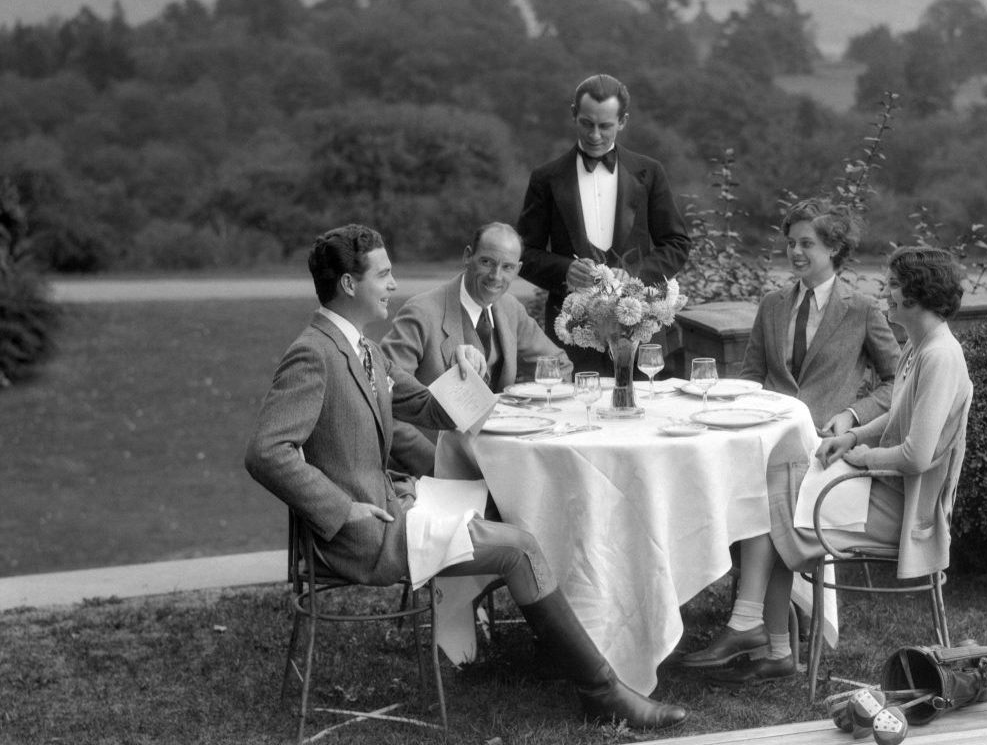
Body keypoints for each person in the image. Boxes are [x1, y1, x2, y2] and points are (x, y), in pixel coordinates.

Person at [244, 224, 687, 730]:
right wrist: (341, 509)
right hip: (365, 534)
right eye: (384, 275)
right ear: (349, 285)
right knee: (519, 545)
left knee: (515, 511)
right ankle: (604, 693)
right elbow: (267, 452)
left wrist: (463, 373)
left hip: (396, 504)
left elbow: (425, 407)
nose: (393, 284)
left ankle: (582, 657)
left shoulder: (361, 347)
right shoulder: (315, 353)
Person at [680, 246, 972, 685]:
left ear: (916, 294)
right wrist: (852, 435)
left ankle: (756, 631)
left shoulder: (940, 356)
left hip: (905, 508)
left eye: (893, 285)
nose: (886, 293)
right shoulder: (920, 345)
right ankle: (767, 642)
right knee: (774, 484)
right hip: (882, 489)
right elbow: (896, 415)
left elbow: (916, 456)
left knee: (772, 495)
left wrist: (861, 457)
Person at [516, 73, 691, 373]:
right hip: (571, 335)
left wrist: (635, 275)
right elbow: (523, 253)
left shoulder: (650, 173)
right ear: (574, 114)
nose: (595, 135)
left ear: (622, 121)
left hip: (640, 330)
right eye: (587, 123)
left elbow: (677, 244)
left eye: (605, 126)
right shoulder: (545, 179)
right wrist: (564, 271)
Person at [380, 222, 571, 477]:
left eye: (507, 267)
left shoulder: (510, 308)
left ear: (518, 270)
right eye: (487, 262)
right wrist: (434, 464)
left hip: (503, 461)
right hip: (434, 470)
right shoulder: (421, 313)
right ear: (467, 256)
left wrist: (526, 404)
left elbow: (558, 365)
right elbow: (382, 399)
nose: (496, 276)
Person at [738, 198, 900, 433]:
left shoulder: (862, 309)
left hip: (824, 441)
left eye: (806, 243)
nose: (795, 252)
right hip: (765, 434)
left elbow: (900, 381)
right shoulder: (771, 304)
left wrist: (852, 415)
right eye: (791, 243)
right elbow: (751, 376)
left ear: (833, 247)